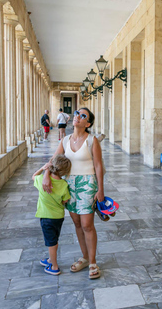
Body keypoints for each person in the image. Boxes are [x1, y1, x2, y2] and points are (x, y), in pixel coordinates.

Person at [42, 107, 104, 279]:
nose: (78, 116)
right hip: (69, 185)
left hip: (87, 183)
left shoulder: (92, 141)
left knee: (87, 225)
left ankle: (92, 261)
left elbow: (98, 166)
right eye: (77, 113)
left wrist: (101, 189)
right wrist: (46, 175)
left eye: (83, 115)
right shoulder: (65, 140)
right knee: (77, 224)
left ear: (88, 123)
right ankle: (84, 257)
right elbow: (53, 161)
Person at [32, 154, 72, 276]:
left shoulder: (40, 181)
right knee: (54, 239)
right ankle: (50, 259)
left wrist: (44, 168)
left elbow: (34, 176)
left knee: (51, 242)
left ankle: (54, 266)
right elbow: (65, 200)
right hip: (58, 217)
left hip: (46, 217)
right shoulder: (64, 184)